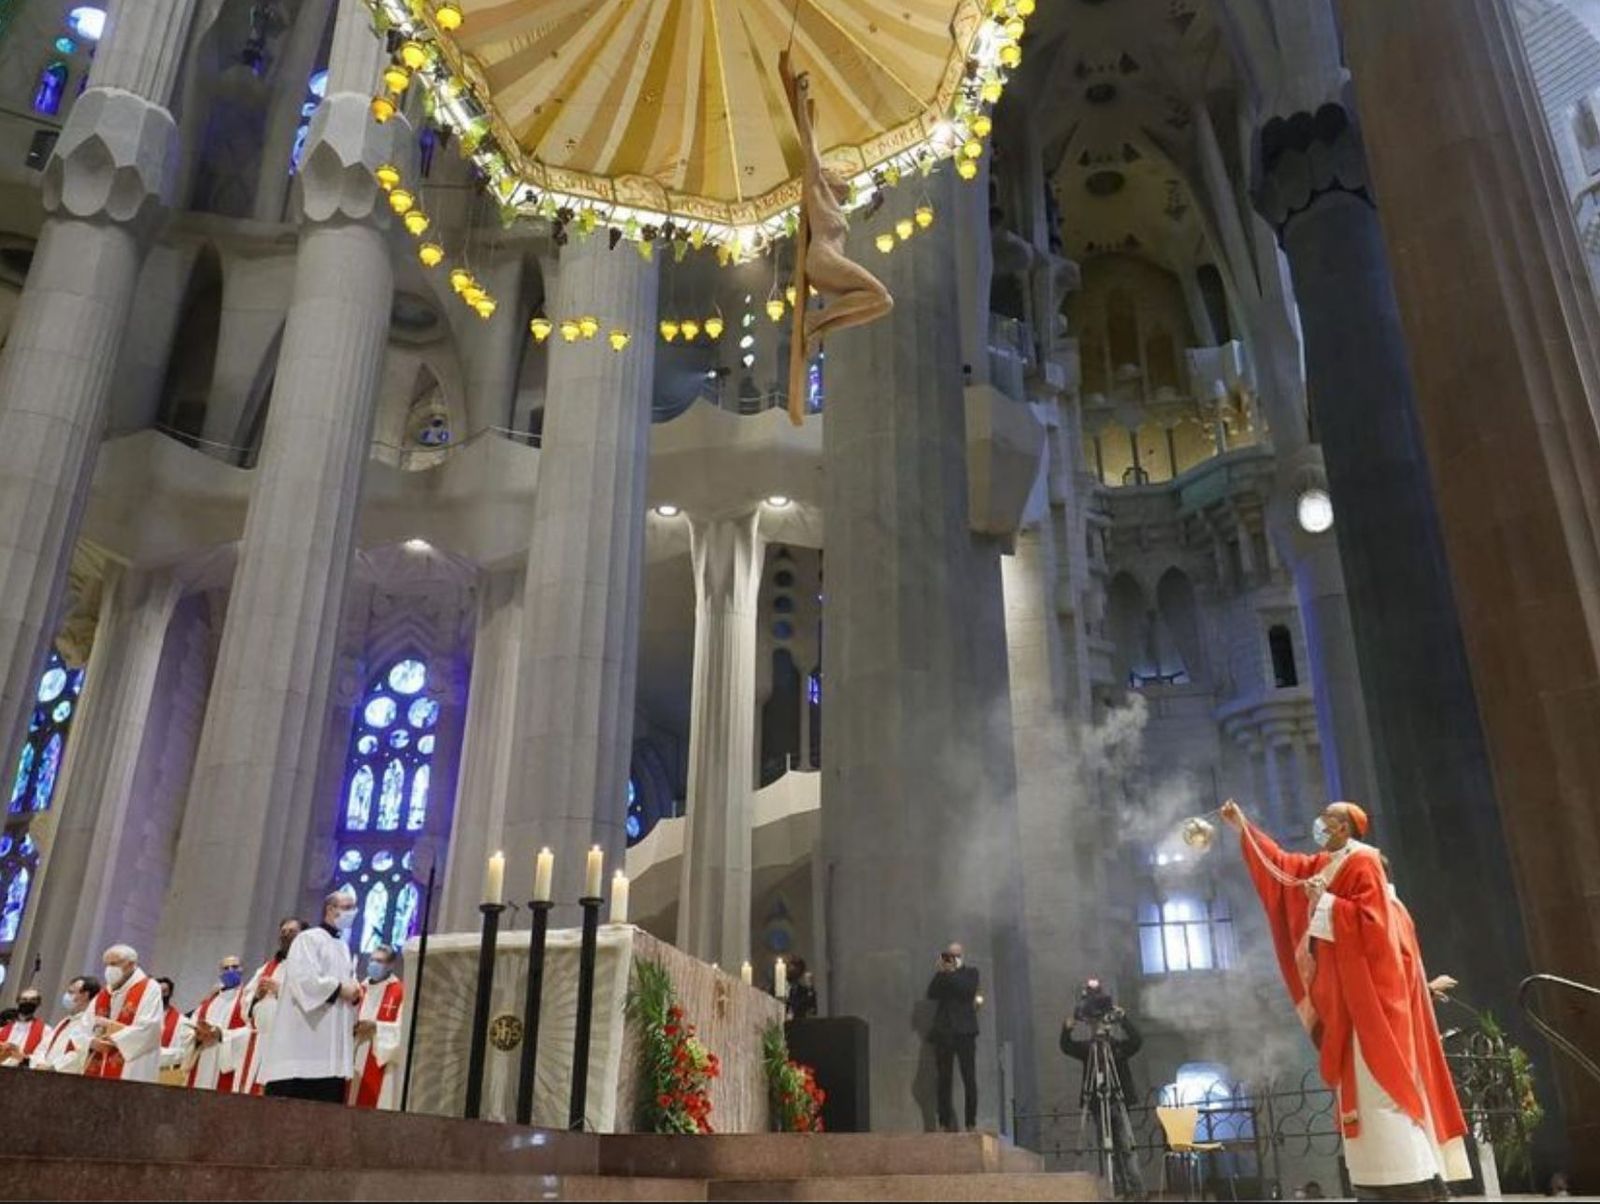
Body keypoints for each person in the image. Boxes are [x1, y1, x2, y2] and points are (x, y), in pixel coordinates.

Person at [1220, 799, 1469, 1200]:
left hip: (1372, 1004)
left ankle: (1414, 1186)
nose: (1320, 822)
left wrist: (1328, 904)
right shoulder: (1323, 864)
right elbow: (1282, 869)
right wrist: (1243, 828)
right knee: (1363, 1100)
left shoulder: (1364, 862)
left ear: (1345, 827)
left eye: (1328, 817)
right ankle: (1378, 1187)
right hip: (1346, 1002)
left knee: (1383, 1093)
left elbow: (1375, 929)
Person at [258, 890, 360, 1102]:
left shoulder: (342, 947)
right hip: (303, 1044)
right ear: (331, 909)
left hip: (331, 1049)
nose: (353, 912)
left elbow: (348, 983)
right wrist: (341, 989)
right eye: (348, 907)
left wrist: (354, 991)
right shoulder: (308, 939)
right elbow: (304, 981)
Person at [1060, 979, 1145, 1200]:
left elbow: (1137, 1041)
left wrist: (1123, 1019)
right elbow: (1066, 1047)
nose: (1098, 1022)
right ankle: (1116, 1189)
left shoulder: (1117, 1046)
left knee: (1126, 1147)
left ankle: (1137, 1191)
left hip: (1118, 1101)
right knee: (1107, 1148)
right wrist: (1066, 1029)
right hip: (1098, 1104)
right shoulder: (1088, 1049)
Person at [238, 916, 305, 1095]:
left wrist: (280, 990)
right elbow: (246, 1001)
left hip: (289, 1044)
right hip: (261, 1040)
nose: (286, 936)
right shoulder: (266, 968)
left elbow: (312, 1001)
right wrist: (256, 998)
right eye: (283, 932)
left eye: (292, 932)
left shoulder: (309, 968)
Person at [82, 944, 164, 1082]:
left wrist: (113, 1034)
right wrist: (91, 1042)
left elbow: (150, 1029)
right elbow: (83, 1027)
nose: (108, 969)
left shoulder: (149, 988)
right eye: (106, 964)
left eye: (114, 964)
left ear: (131, 964)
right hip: (99, 1063)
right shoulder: (104, 993)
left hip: (131, 1068)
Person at [926, 942, 981, 1132]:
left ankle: (970, 1122)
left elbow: (967, 991)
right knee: (944, 1079)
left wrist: (950, 973)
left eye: (955, 955)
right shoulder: (943, 975)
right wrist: (941, 972)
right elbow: (931, 993)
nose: (951, 958)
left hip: (965, 1031)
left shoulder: (971, 973)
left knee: (969, 1078)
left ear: (962, 956)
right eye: (949, 955)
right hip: (944, 1032)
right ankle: (944, 1122)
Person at [348, 944, 405, 1110]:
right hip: (355, 1052)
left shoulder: (399, 991)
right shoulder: (359, 989)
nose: (374, 964)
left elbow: (402, 1030)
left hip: (379, 1057)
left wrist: (375, 1027)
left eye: (380, 961)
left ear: (391, 965)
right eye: (372, 960)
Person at [185, 955, 251, 1092]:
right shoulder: (209, 1001)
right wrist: (197, 1035)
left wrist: (221, 1034)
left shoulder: (247, 998)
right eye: (226, 968)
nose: (230, 971)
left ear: (242, 969)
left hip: (226, 1063)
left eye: (235, 967)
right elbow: (188, 1027)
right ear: (220, 973)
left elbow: (251, 1031)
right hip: (202, 1061)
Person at [34, 975, 99, 1074]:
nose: (66, 996)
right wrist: (39, 1063)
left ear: (85, 995)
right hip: (44, 1074)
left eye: (71, 992)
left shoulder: (91, 1023)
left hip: (66, 1076)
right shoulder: (65, 1022)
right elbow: (43, 1047)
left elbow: (80, 1053)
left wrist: (52, 1068)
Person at [156, 975, 194, 1081]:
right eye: (157, 992)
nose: (160, 995)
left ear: (170, 994)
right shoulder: (143, 1017)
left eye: (164, 992)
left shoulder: (182, 1022)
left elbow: (186, 1052)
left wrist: (160, 1054)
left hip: (166, 1074)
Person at [0, 986, 49, 1067]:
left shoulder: (45, 1030)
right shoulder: (3, 1028)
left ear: (38, 1003)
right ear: (18, 1001)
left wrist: (22, 1056)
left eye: (33, 1000)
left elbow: (42, 1057)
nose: (28, 1003)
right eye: (24, 999)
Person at [784, 956, 818, 1022]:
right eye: (791, 966)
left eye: (797, 967)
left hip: (799, 1024)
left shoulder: (804, 991)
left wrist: (811, 989)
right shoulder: (777, 988)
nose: (793, 969)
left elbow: (812, 1011)